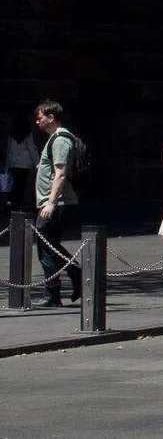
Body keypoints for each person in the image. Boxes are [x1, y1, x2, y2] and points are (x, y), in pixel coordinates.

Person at [31, 100, 80, 309]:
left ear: (51, 118)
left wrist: (50, 203)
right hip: (54, 202)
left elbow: (60, 174)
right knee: (50, 245)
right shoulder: (55, 139)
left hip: (56, 203)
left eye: (40, 118)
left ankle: (53, 293)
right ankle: (76, 274)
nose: (37, 122)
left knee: (45, 246)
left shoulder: (60, 140)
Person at [5, 114, 36, 214]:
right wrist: (37, 163)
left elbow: (8, 149)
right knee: (21, 186)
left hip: (14, 163)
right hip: (24, 164)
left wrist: (8, 164)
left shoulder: (12, 134)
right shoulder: (27, 134)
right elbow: (32, 149)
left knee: (15, 184)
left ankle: (12, 204)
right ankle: (16, 207)